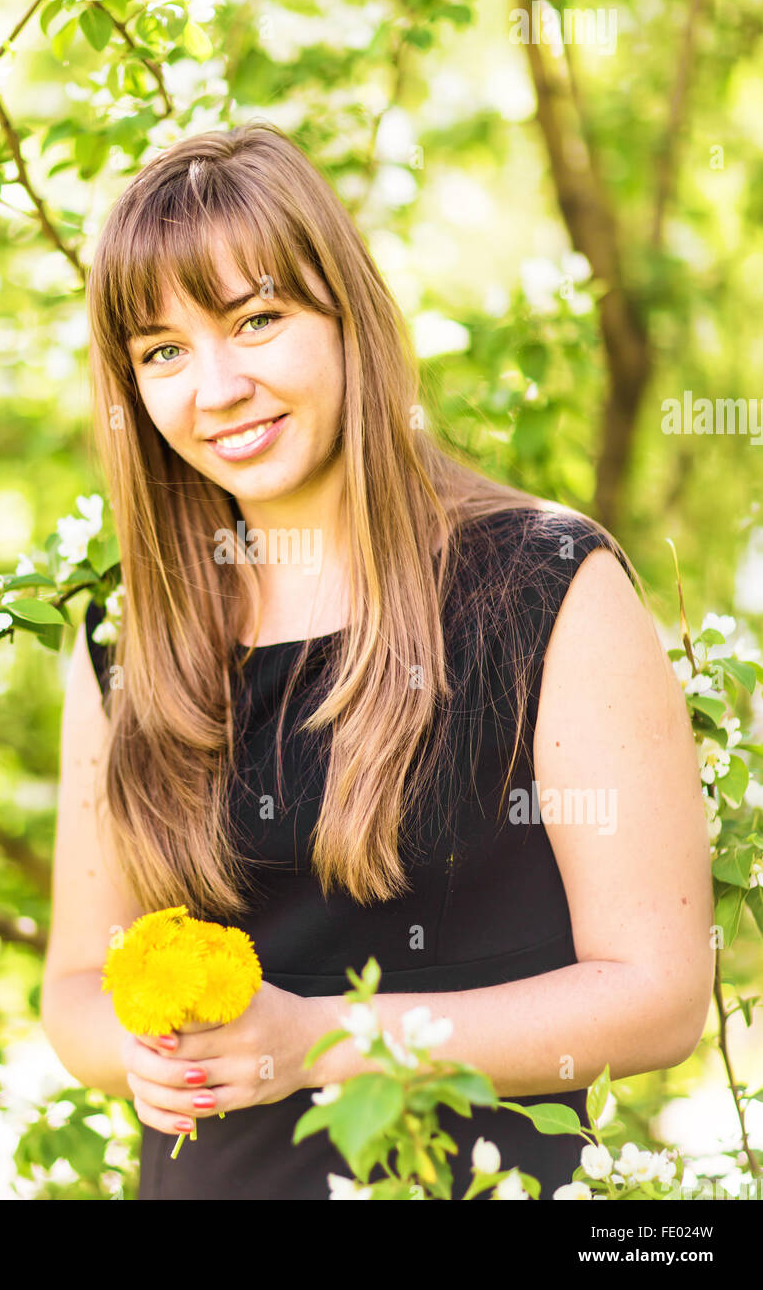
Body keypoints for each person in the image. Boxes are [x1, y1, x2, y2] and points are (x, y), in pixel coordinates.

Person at [40, 121, 714, 1201]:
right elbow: (76, 990)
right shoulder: (131, 637)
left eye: (256, 320)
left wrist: (322, 1040)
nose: (214, 388)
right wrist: (142, 1052)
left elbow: (660, 994)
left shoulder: (543, 584)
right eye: (163, 352)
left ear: (348, 317)